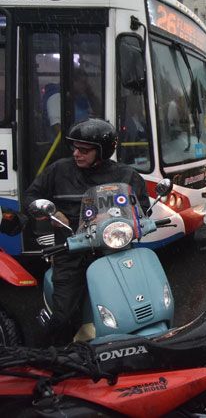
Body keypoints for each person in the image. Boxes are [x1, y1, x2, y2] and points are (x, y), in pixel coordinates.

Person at [24, 119, 149, 346]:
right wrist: (54, 213)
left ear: (103, 151)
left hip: (112, 250)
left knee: (140, 300)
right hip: (71, 251)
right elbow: (31, 198)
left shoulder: (126, 175)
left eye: (84, 150)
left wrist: (119, 217)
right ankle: (56, 358)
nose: (76, 154)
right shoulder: (58, 170)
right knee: (63, 318)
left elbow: (142, 209)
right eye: (74, 148)